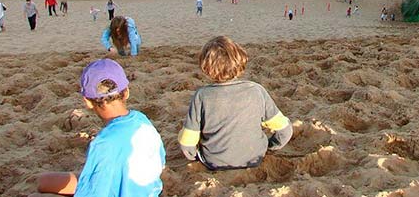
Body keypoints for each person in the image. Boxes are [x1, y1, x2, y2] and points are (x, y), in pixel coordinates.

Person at [30, 59, 165, 197]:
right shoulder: (141, 120)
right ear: (126, 92)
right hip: (149, 190)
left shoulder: (103, 143)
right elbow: (161, 161)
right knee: (46, 180)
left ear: (87, 102)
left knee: (40, 187)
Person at [178, 36, 292, 170]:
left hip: (214, 161)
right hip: (254, 157)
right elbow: (285, 130)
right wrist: (270, 146)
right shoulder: (256, 90)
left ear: (205, 67)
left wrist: (194, 156)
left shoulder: (202, 96)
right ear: (240, 61)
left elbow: (187, 142)